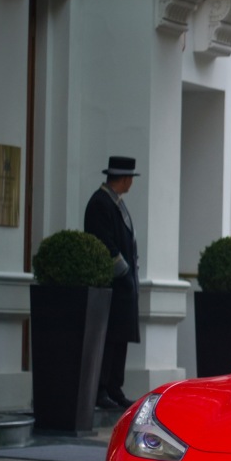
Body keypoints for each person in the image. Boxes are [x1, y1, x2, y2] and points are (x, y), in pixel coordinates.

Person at [84, 156, 141, 409]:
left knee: (120, 337)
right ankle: (102, 389)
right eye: (131, 178)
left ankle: (115, 388)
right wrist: (124, 271)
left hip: (123, 286)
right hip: (113, 285)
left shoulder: (115, 202)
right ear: (125, 179)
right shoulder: (100, 203)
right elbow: (105, 242)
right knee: (109, 339)